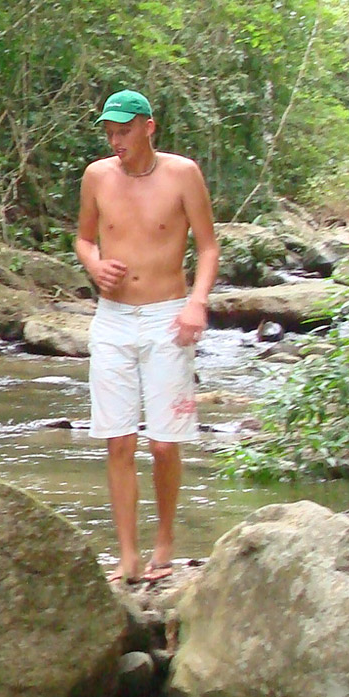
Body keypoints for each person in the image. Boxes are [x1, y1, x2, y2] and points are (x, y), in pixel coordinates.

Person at [74, 89, 219, 583]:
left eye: (125, 131)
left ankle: (165, 542)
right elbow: (83, 237)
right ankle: (128, 555)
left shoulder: (183, 174)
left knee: (161, 443)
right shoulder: (96, 176)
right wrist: (95, 265)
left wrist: (197, 302)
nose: (117, 142)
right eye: (110, 133)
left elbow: (208, 247)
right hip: (113, 318)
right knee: (117, 441)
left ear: (148, 127)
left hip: (168, 316)